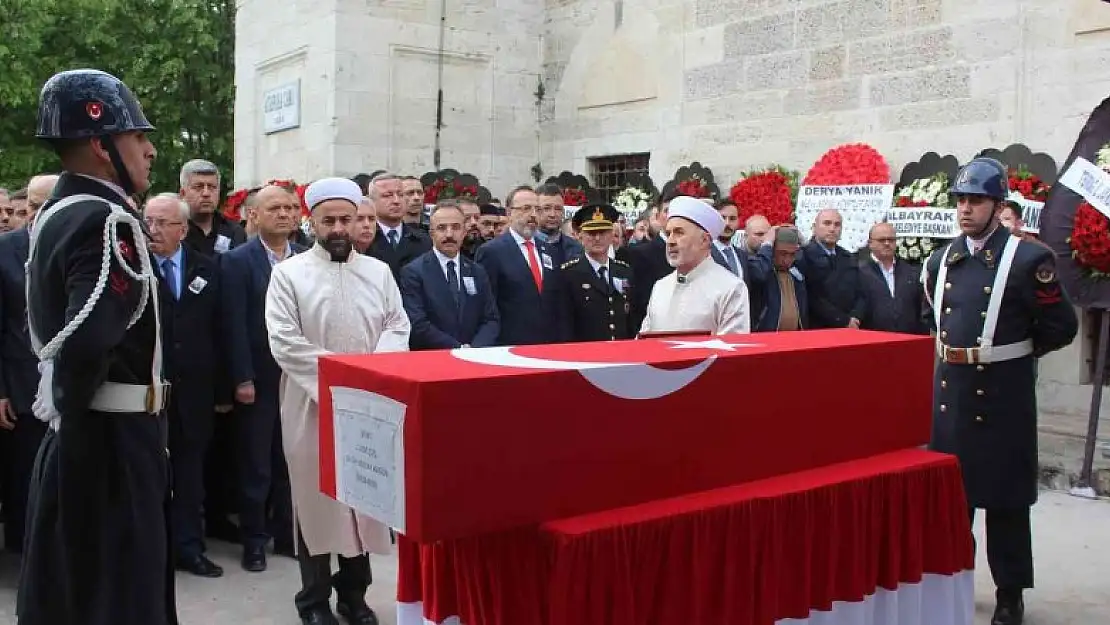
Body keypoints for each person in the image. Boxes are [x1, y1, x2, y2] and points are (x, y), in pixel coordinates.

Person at [18, 69, 178, 625]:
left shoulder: (60, 213)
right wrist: (68, 399)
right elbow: (87, 343)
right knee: (118, 596)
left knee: (80, 589)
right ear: (100, 145)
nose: (150, 149)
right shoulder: (105, 222)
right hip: (110, 444)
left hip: (87, 437)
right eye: (137, 137)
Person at [922, 157, 1079, 625]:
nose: (966, 209)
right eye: (961, 201)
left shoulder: (1030, 259)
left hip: (1004, 394)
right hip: (953, 392)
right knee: (955, 501)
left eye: (976, 200)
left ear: (998, 204)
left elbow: (1060, 326)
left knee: (1007, 502)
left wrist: (1012, 355)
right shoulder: (942, 258)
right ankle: (955, 580)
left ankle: (1010, 594)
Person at [266, 177, 408, 625]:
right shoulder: (288, 274)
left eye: (347, 219)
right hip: (310, 404)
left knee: (363, 500)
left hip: (369, 403)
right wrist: (340, 378)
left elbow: (397, 327)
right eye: (329, 221)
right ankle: (313, 601)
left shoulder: (379, 273)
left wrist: (369, 376)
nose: (339, 228)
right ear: (312, 223)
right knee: (316, 501)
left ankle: (355, 597)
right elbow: (285, 342)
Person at [639, 196, 750, 335]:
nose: (670, 241)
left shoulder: (730, 288)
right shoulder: (660, 287)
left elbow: (732, 351)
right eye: (668, 234)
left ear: (704, 240)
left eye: (679, 233)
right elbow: (644, 342)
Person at [400, 200, 500, 350]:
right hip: (435, 359)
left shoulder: (477, 271)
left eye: (455, 227)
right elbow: (417, 322)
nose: (449, 234)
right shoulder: (414, 272)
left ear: (464, 232)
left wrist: (475, 349)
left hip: (475, 356)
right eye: (441, 228)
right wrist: (458, 348)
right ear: (431, 233)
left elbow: (491, 319)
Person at [556, 204, 635, 342]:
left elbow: (630, 318)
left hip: (622, 352)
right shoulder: (569, 274)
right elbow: (565, 325)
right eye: (591, 233)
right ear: (580, 236)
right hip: (586, 355)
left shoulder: (624, 271)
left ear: (612, 235)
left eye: (603, 232)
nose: (597, 238)